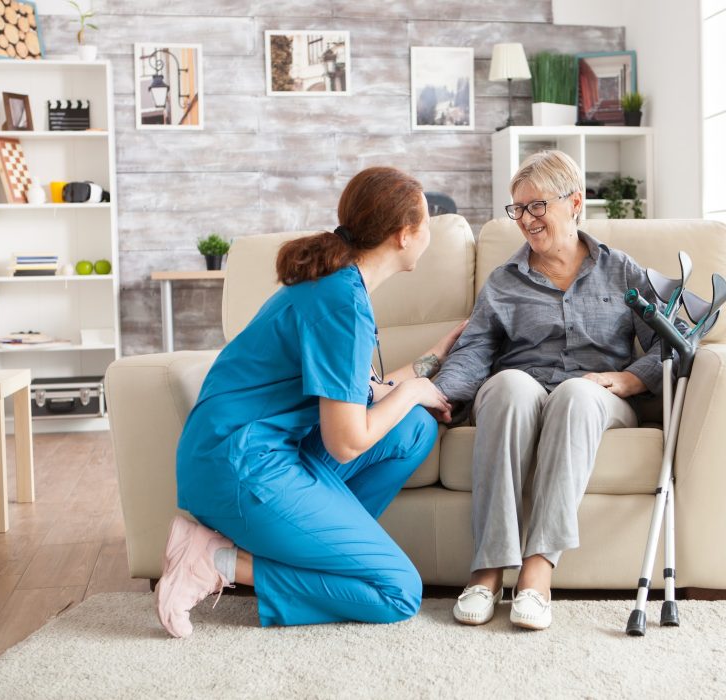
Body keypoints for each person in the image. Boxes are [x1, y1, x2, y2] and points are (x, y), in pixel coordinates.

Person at [157, 166, 465, 638]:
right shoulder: (342, 304)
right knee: (397, 592)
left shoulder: (338, 285)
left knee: (415, 429)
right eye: (426, 223)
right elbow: (346, 442)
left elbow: (367, 388)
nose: (429, 232)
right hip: (238, 467)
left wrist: (435, 358)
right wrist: (412, 392)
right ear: (404, 236)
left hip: (255, 452)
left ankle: (318, 549)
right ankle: (215, 560)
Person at [434, 150, 670, 631]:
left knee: (576, 394)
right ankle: (488, 570)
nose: (525, 220)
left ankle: (538, 572)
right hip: (522, 389)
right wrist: (441, 396)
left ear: (574, 202)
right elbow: (475, 351)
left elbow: (678, 335)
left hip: (597, 397)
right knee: (507, 387)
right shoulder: (503, 281)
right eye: (517, 209)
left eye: (536, 206)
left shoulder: (621, 270)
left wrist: (629, 379)